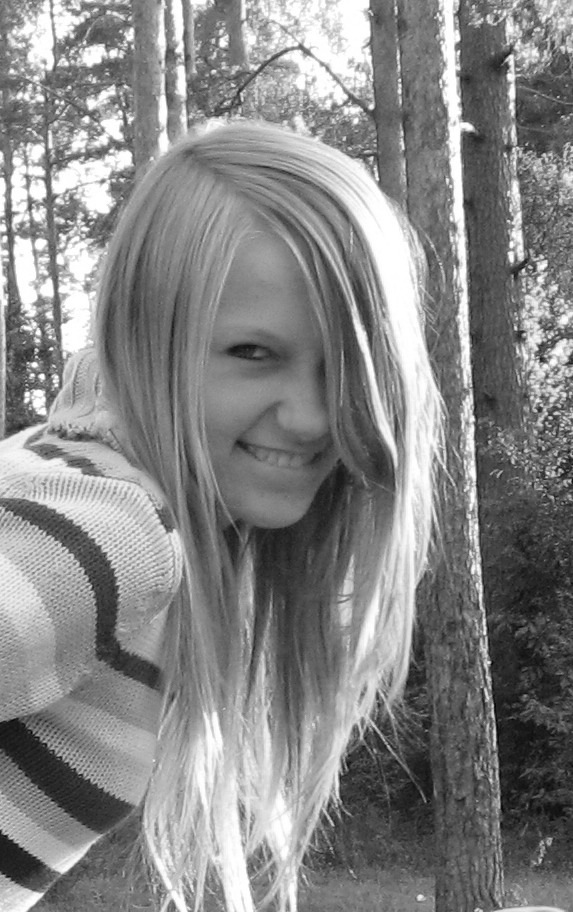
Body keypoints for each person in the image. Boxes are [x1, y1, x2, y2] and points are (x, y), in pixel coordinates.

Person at [0, 120, 442, 912]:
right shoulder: (112, 533)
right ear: (145, 334)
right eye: (251, 353)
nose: (311, 417)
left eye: (346, 364)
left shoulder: (61, 468)